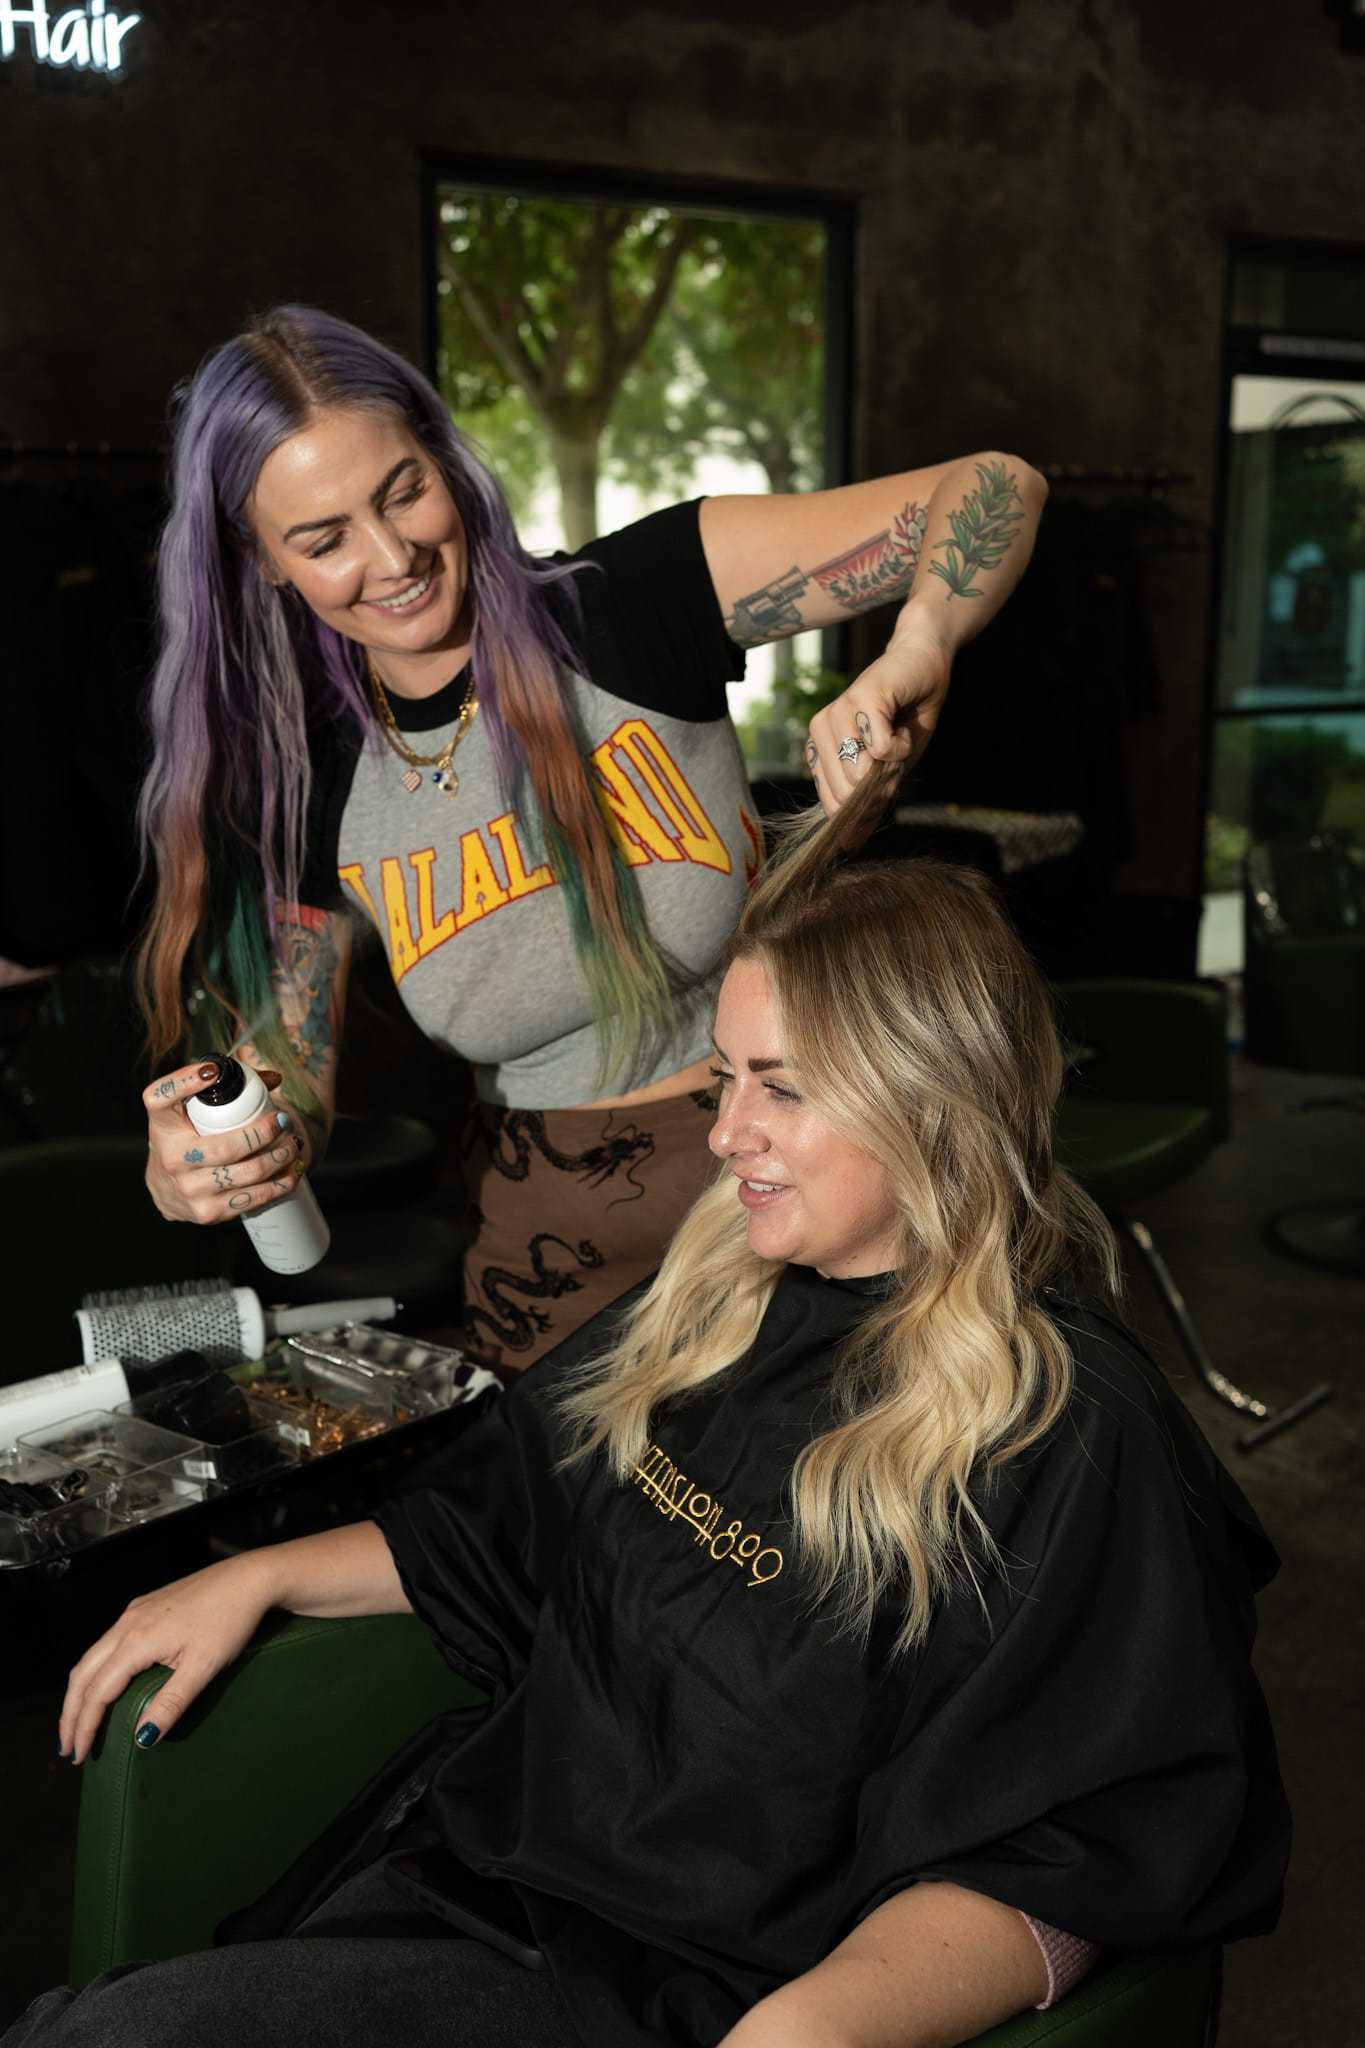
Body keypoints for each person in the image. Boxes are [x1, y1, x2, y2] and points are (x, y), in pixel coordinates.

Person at [25, 782, 1289, 2048]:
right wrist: (261, 1574)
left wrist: (813, 2029)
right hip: (490, 1876)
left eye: (780, 1087)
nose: (726, 1128)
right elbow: (511, 1520)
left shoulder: (1067, 1433)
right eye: (726, 1074)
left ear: (932, 1095)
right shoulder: (721, 1293)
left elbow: (1096, 1842)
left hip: (675, 1988)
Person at [137, 303, 1050, 1371]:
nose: (393, 558)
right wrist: (228, 1151)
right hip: (551, 1261)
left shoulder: (630, 605)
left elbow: (996, 484)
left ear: (444, 457)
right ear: (262, 561)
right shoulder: (304, 775)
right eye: (325, 539)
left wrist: (918, 645)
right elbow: (286, 1070)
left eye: (405, 492)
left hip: (817, 1201)